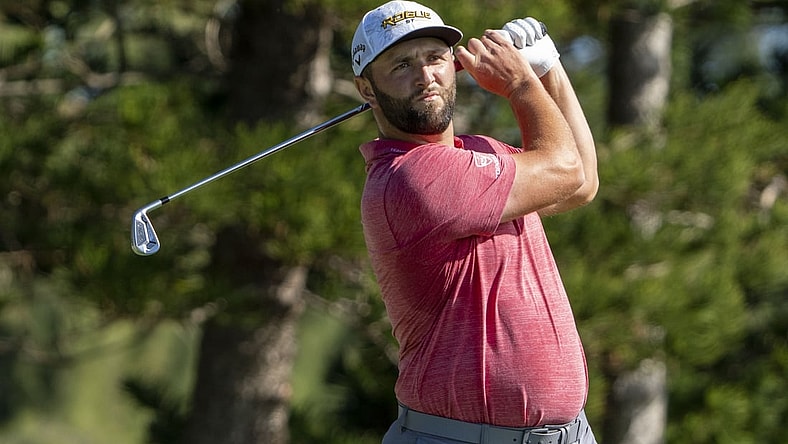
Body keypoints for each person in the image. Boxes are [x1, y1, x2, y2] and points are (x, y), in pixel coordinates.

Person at [351, 1, 599, 443]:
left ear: (453, 64)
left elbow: (578, 184)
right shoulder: (410, 176)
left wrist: (547, 67)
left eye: (435, 57)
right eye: (402, 65)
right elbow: (566, 169)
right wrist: (521, 81)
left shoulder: (479, 151)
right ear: (366, 89)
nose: (425, 75)